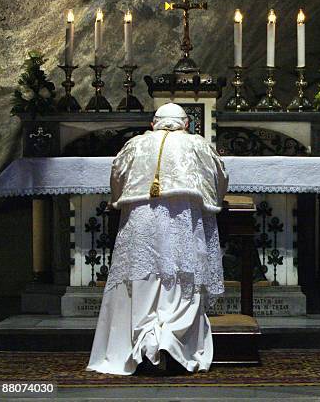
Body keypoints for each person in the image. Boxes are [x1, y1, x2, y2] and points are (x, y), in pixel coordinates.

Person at [86, 103, 228, 375]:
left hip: (141, 221)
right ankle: (171, 340)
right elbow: (219, 177)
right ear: (186, 124)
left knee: (143, 279)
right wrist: (214, 201)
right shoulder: (198, 144)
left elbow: (117, 177)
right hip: (183, 219)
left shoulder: (135, 145)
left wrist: (119, 201)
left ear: (153, 124)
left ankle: (141, 342)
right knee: (180, 277)